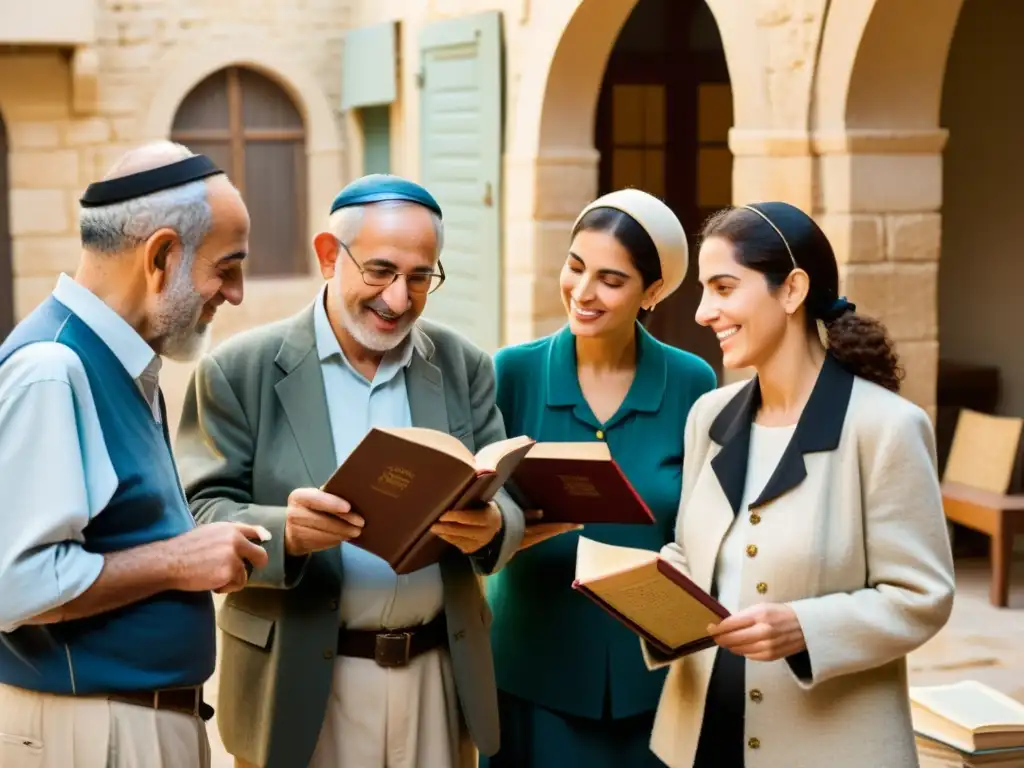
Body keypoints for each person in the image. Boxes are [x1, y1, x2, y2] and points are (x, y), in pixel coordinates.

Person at [174, 174, 529, 768]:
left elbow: (508, 496)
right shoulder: (238, 370)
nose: (398, 298)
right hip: (299, 678)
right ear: (327, 256)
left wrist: (493, 526)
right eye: (381, 271)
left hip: (437, 677)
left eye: (420, 278)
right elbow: (199, 513)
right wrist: (284, 532)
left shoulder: (464, 363)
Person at [643, 201, 956, 767]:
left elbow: (922, 597)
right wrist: (648, 592)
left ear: (791, 290)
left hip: (830, 749)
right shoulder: (707, 417)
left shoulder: (886, 428)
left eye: (723, 287)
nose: (703, 313)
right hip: (699, 737)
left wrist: (804, 627)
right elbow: (691, 552)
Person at [0, 141, 268, 768]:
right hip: (93, 735)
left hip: (127, 727)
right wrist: (179, 561)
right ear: (162, 256)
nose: (235, 294)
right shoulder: (52, 368)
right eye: (226, 267)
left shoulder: (124, 363)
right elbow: (13, 585)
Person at [480, 189, 718, 767]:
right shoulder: (512, 372)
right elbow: (474, 516)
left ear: (653, 291)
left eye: (611, 280)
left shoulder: (693, 383)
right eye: (576, 266)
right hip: (532, 674)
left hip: (654, 680)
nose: (583, 293)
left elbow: (708, 528)